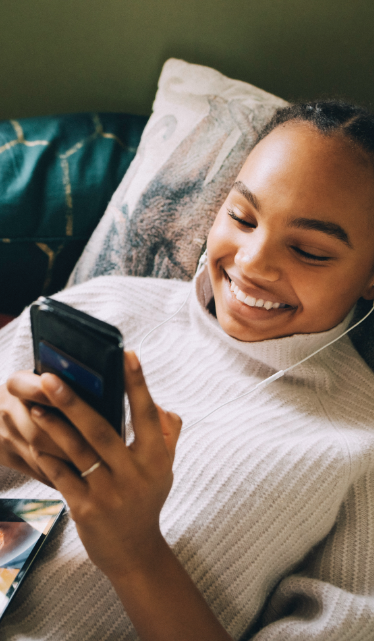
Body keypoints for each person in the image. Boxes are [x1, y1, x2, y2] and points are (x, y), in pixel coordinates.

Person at [0, 101, 374, 640]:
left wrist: (137, 557)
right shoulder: (103, 307)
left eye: (310, 251)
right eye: (242, 217)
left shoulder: (359, 453)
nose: (252, 263)